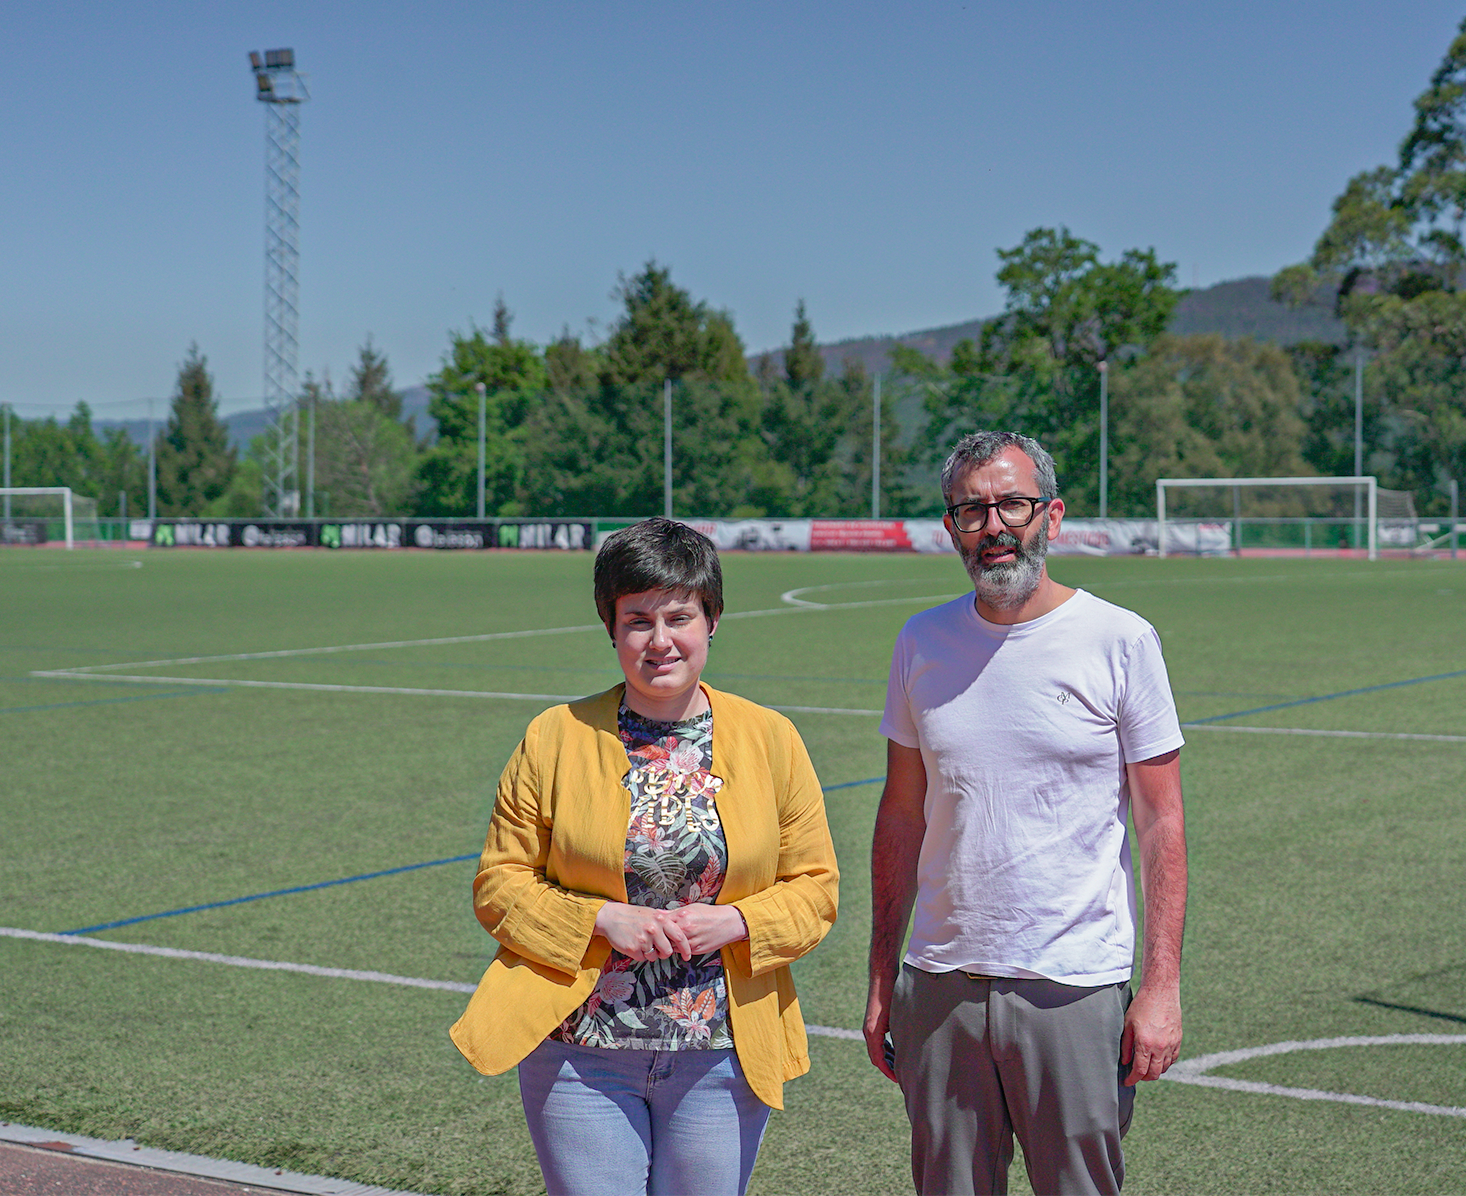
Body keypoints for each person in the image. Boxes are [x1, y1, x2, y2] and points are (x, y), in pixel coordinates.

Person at [451, 517, 839, 1196]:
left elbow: (816, 889)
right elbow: (500, 885)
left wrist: (737, 922)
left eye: (679, 617)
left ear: (711, 620)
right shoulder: (554, 737)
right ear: (611, 628)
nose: (660, 640)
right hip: (580, 1053)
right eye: (637, 620)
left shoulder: (772, 738)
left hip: (720, 1052)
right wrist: (600, 920)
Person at [864, 431, 1188, 1196]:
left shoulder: (1121, 640)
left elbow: (1161, 822)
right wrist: (884, 979)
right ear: (951, 527)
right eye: (972, 510)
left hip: (1072, 985)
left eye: (1013, 504)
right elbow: (902, 816)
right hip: (940, 984)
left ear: (1053, 515)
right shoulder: (921, 641)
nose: (994, 526)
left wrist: (1161, 986)